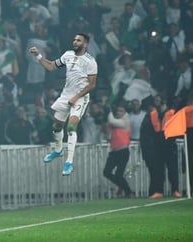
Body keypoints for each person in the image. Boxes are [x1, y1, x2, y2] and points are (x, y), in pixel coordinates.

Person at [29, 33, 98, 175]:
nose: (75, 41)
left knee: (71, 127)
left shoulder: (90, 61)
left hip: (80, 97)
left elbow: (92, 85)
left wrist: (77, 97)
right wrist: (38, 55)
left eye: (78, 40)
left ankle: (69, 162)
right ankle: (58, 150)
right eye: (74, 39)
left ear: (85, 44)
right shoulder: (67, 55)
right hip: (66, 95)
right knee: (56, 126)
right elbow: (51, 67)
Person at [103, 103, 134, 198]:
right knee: (106, 172)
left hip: (123, 151)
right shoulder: (115, 123)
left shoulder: (125, 121)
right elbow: (108, 137)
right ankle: (122, 186)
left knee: (118, 174)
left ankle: (128, 191)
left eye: (121, 111)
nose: (119, 113)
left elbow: (111, 121)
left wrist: (109, 111)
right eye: (118, 111)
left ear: (125, 113)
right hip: (114, 151)